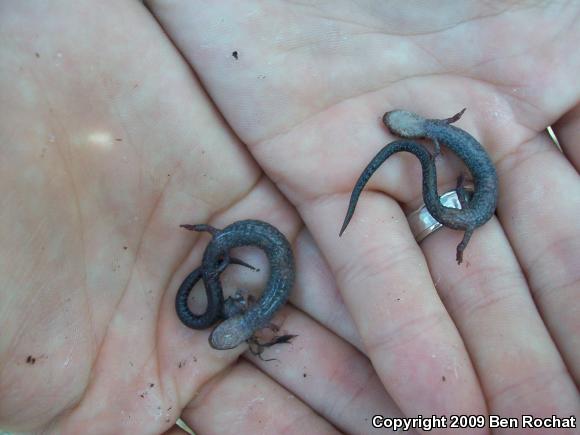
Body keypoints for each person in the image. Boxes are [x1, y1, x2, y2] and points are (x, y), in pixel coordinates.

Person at [1, 1, 578, 433]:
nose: (228, 336)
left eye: (397, 132)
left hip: (450, 206)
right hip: (342, 224)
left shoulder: (440, 139)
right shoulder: (440, 134)